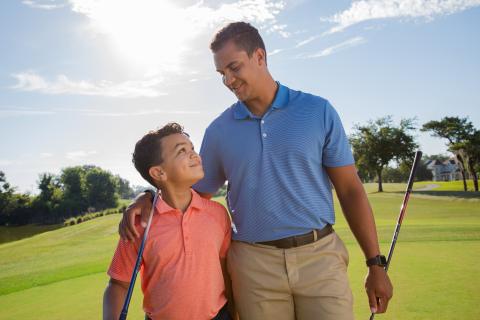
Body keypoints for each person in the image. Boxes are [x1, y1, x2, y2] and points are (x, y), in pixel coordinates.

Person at [119, 22, 393, 320]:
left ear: (260, 57)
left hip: (320, 257)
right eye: (222, 74)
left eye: (234, 67)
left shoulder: (318, 111)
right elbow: (186, 192)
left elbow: (350, 189)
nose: (228, 80)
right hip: (253, 267)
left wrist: (375, 264)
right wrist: (147, 196)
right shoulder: (219, 131)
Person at [103, 123, 232, 320]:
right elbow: (118, 284)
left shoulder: (217, 214)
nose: (194, 155)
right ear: (158, 173)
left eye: (192, 148)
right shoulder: (139, 224)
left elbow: (226, 271)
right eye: (182, 150)